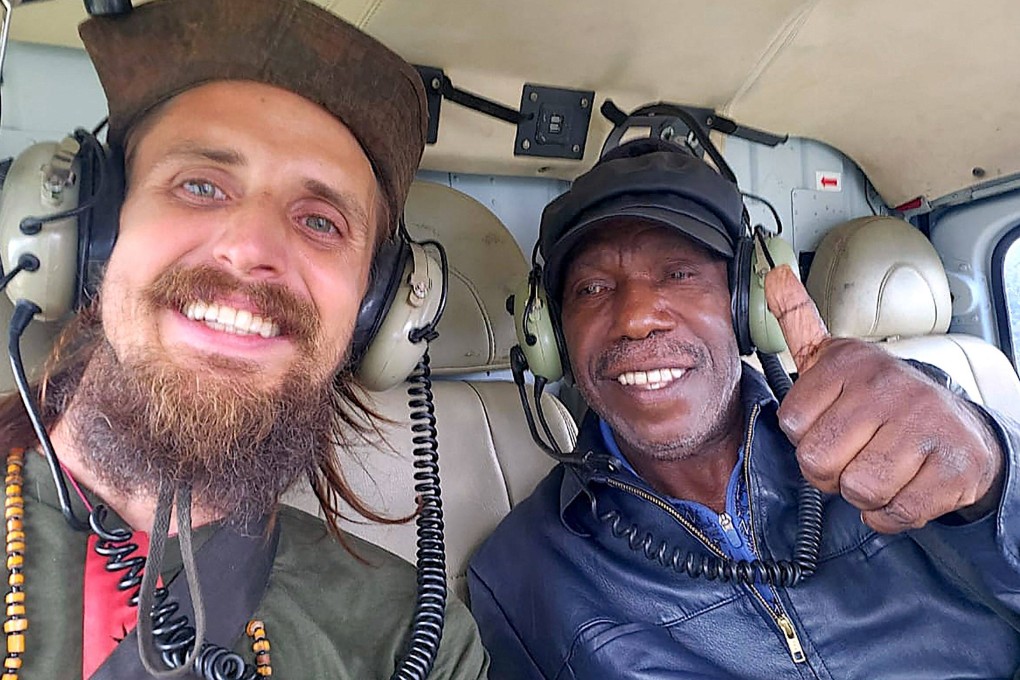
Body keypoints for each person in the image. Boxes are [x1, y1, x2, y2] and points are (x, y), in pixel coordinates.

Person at [0, 0, 489, 677]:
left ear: (375, 313)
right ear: (87, 238)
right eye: (200, 185)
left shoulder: (410, 637)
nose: (252, 249)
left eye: (320, 222)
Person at [468, 138, 1020, 678]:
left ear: (748, 306)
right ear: (550, 336)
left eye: (679, 273)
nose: (636, 317)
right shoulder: (521, 573)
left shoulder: (904, 415)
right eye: (591, 288)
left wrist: (995, 474)